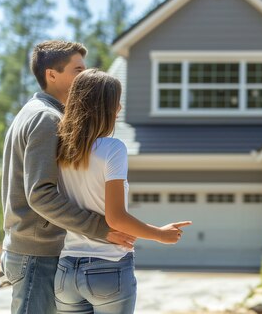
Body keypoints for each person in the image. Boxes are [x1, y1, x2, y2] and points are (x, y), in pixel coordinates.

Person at [1, 41, 137, 314]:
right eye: (78, 70)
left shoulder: (35, 112)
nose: (84, 76)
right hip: (37, 254)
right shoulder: (47, 119)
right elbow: (41, 194)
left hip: (33, 250)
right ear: (52, 75)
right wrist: (102, 229)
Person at [54, 68, 191, 313]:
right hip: (107, 267)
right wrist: (160, 234)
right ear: (103, 107)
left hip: (66, 270)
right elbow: (115, 218)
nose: (119, 108)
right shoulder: (112, 149)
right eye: (115, 101)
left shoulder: (60, 150)